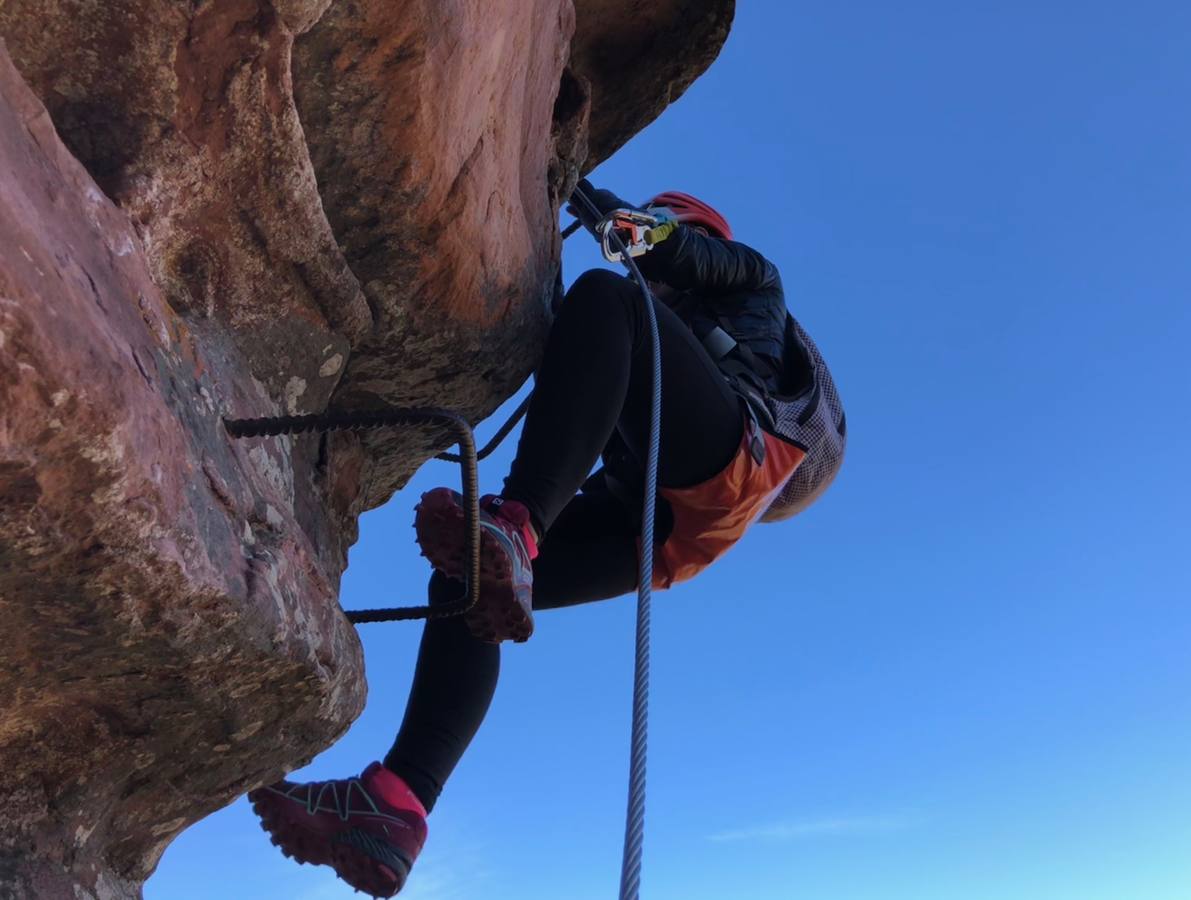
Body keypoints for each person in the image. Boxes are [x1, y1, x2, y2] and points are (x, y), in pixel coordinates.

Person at [248, 181, 839, 898]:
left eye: (668, 221)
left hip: (727, 460)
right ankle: (395, 805)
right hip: (660, 535)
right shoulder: (661, 337)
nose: (654, 236)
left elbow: (677, 252)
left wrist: (626, 224)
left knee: (607, 300)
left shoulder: (749, 277)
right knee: (464, 578)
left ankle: (518, 521)